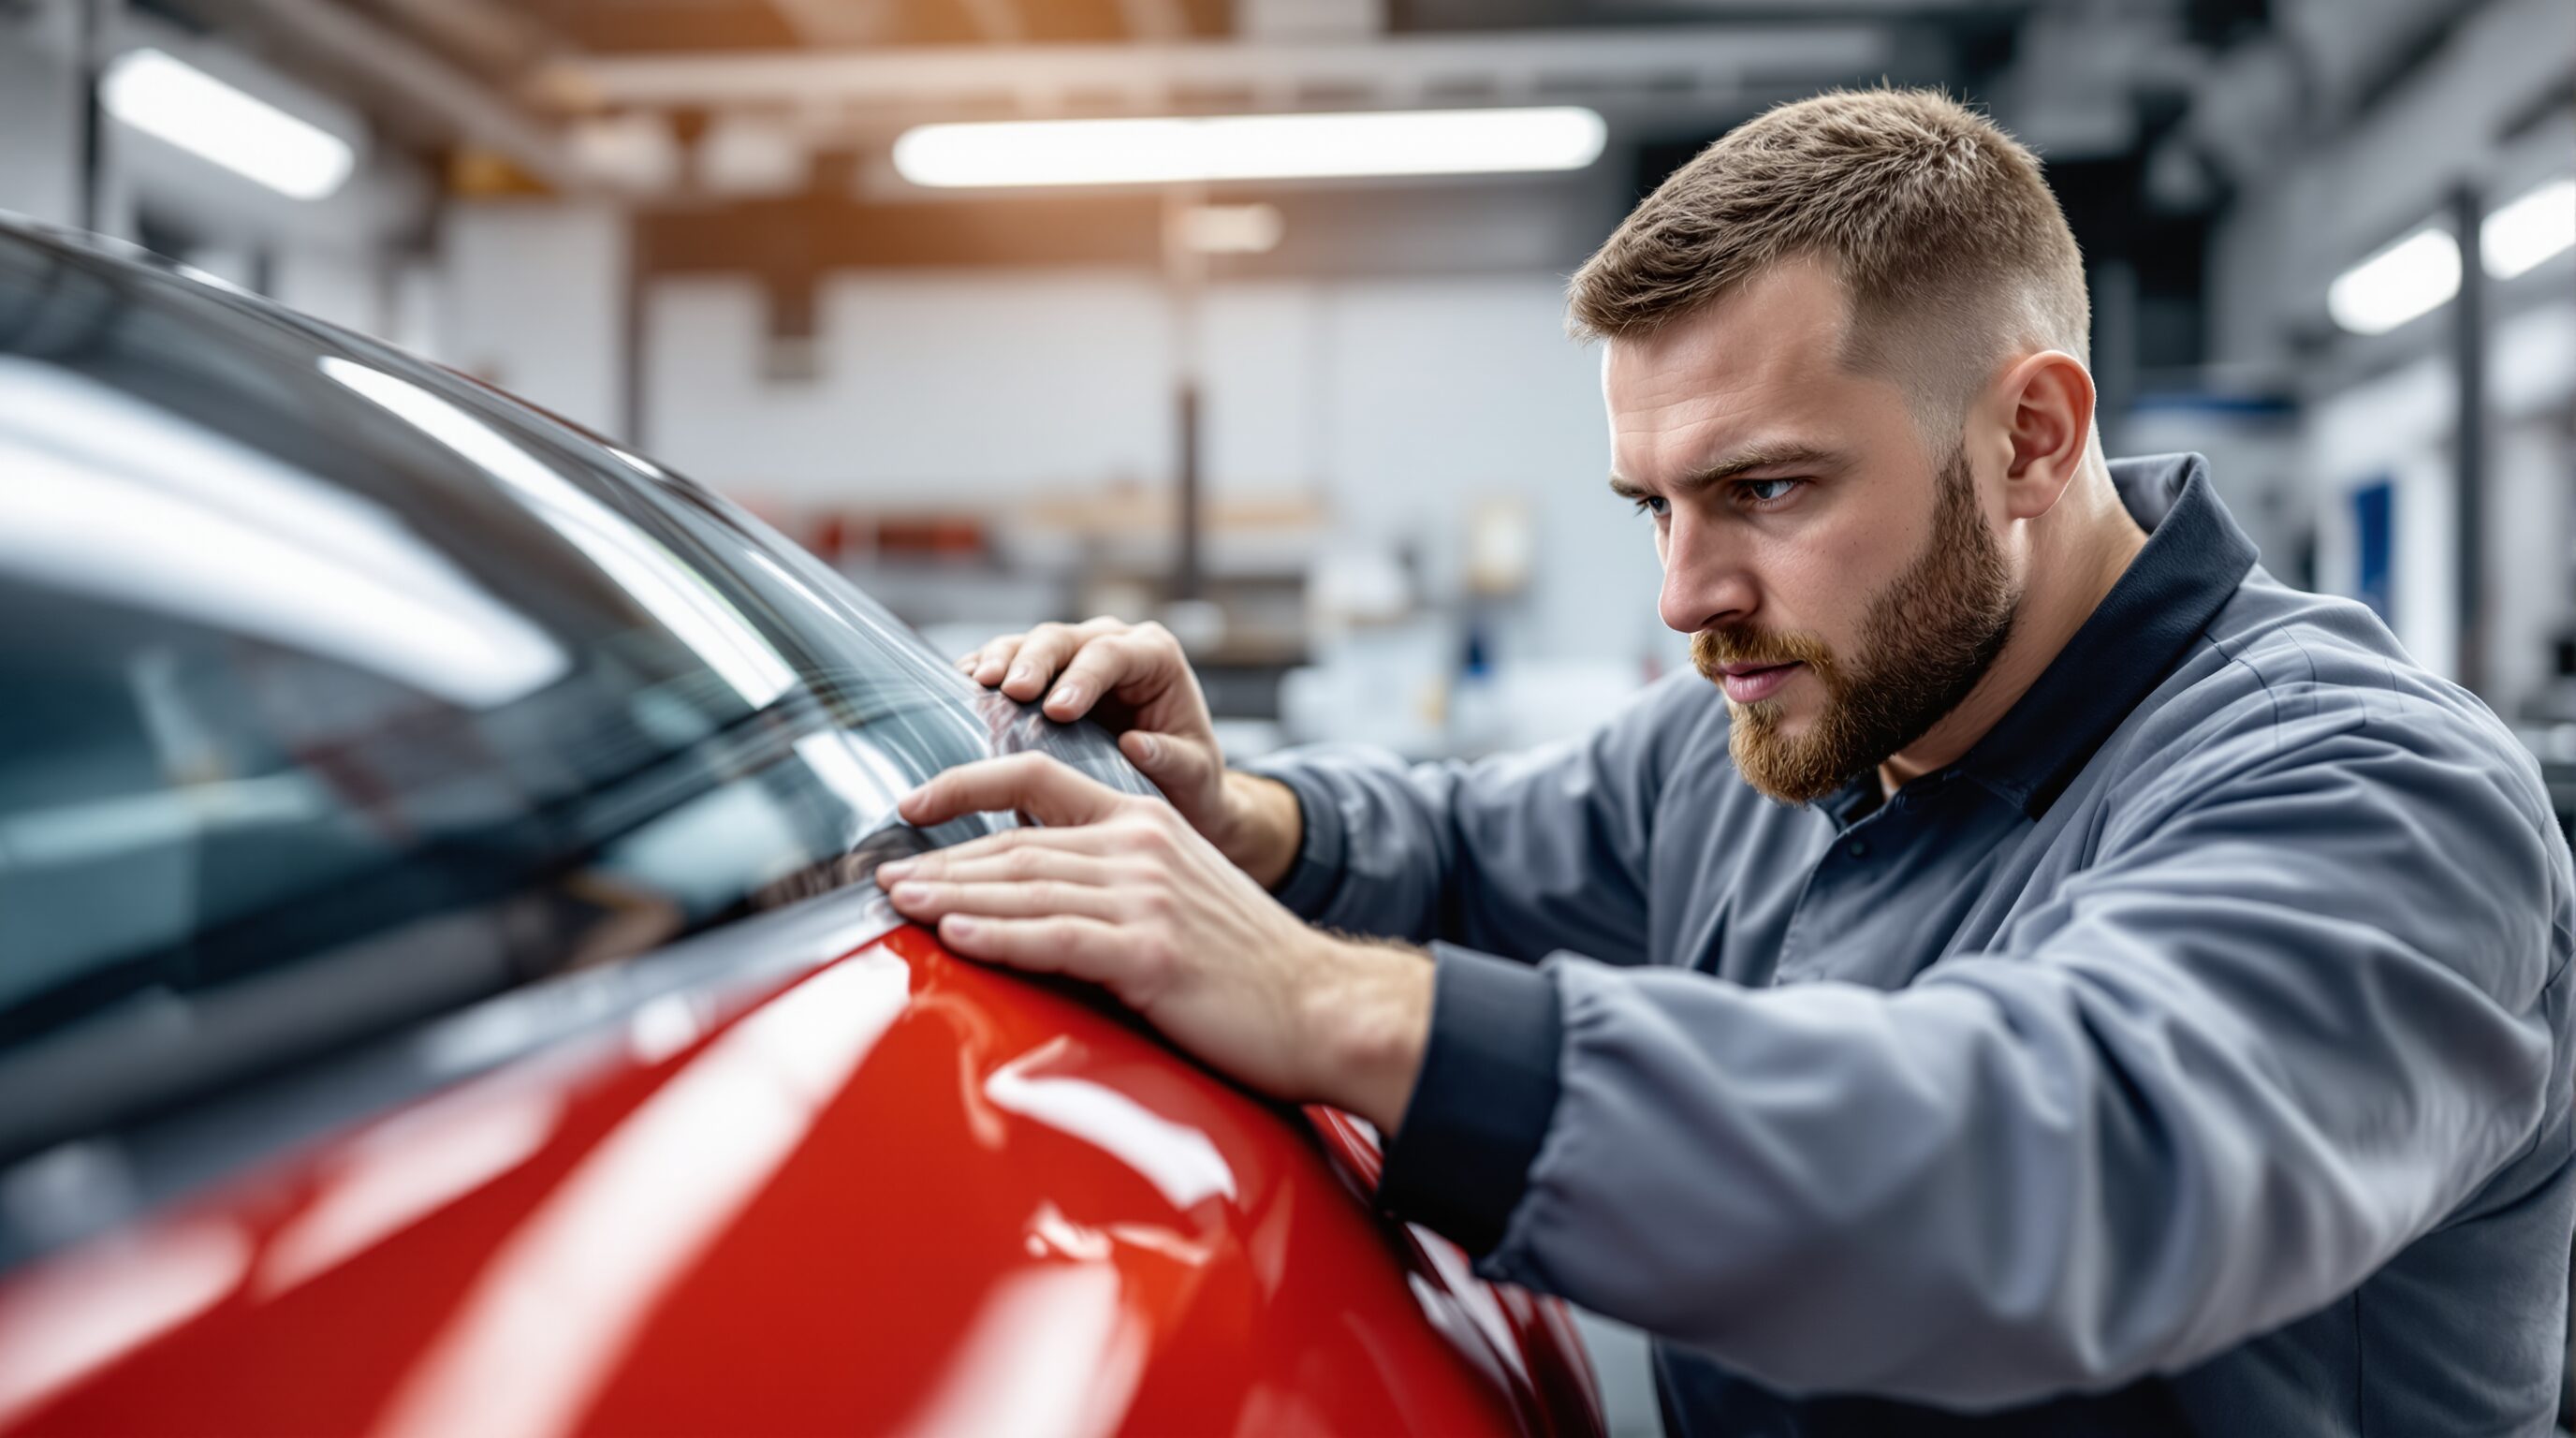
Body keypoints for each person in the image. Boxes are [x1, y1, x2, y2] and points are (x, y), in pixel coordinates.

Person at [873, 88, 2576, 1435]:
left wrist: (1338, 1005)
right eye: (1655, 507)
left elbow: (2060, 1164)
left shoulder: (2367, 796)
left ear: (2031, 438)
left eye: (1768, 490)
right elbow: (1490, 841)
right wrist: (1239, 818)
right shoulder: (1800, 726)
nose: (1689, 595)